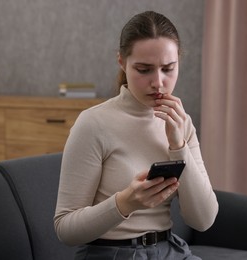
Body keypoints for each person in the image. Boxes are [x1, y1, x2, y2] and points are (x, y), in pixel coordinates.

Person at [54, 11, 218, 259]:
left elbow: (203, 220)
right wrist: (125, 203)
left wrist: (178, 145)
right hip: (112, 253)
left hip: (171, 251)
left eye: (168, 69)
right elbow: (66, 230)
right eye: (144, 70)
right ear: (122, 62)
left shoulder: (181, 123)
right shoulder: (93, 124)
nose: (159, 83)